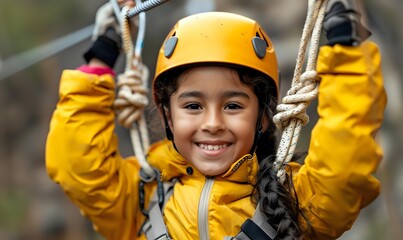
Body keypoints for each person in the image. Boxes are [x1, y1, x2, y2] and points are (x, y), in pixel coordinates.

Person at [46, 0, 387, 239]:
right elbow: (78, 166)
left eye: (234, 106)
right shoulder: (140, 197)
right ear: (167, 114)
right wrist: (102, 55)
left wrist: (346, 48)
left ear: (262, 118)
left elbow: (343, 169)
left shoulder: (298, 201)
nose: (212, 122)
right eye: (193, 106)